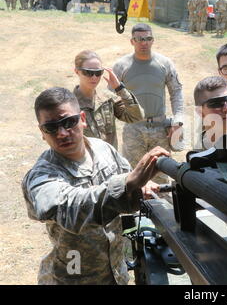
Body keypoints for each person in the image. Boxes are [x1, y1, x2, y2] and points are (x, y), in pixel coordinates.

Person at [22, 87, 170, 284]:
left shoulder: (103, 149)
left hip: (116, 274)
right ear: (42, 132)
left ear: (82, 118)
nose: (62, 133)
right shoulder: (41, 176)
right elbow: (69, 209)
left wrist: (140, 187)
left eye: (69, 122)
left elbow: (126, 176)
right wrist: (126, 185)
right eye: (51, 127)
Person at [112, 23, 184, 194]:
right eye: (140, 39)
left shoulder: (164, 63)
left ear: (153, 40)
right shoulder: (121, 65)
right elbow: (111, 95)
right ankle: (135, 215)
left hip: (160, 128)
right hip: (133, 129)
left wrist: (178, 119)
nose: (144, 43)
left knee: (161, 173)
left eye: (148, 39)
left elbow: (176, 92)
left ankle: (164, 216)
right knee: (132, 174)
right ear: (132, 41)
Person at [73, 50, 144, 150]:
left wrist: (119, 88)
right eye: (88, 72)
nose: (94, 77)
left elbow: (136, 116)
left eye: (98, 73)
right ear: (77, 71)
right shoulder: (70, 105)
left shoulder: (108, 99)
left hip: (110, 162)